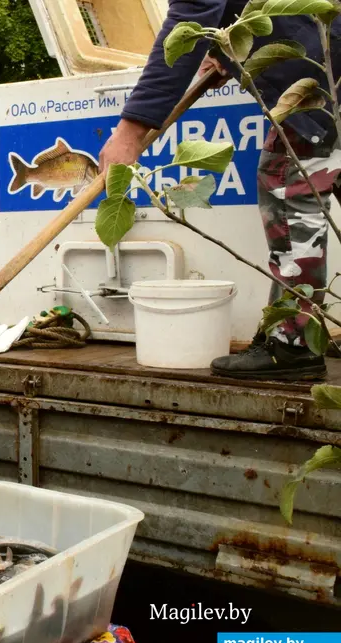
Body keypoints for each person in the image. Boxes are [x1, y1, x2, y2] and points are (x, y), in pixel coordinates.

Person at [98, 1, 341, 381]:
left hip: (319, 71)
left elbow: (193, 13)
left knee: (287, 179)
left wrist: (130, 131)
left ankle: (292, 344)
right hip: (329, 57)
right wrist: (226, 54)